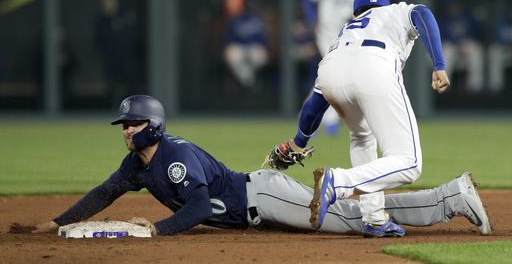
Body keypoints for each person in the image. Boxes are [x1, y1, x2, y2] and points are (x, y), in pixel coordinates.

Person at [32, 95, 492, 237]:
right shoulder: (135, 165)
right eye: (124, 124)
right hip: (257, 203)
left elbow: (195, 207)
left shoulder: (174, 159)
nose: (127, 131)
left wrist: (156, 230)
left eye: (134, 124)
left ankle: (450, 197)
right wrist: (54, 222)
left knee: (355, 219)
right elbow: (104, 193)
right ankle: (447, 197)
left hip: (262, 195)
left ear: (152, 125)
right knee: (355, 214)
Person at [274, 0, 451, 238]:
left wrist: (299, 142)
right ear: (383, 5)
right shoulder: (391, 11)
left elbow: (314, 105)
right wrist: (439, 65)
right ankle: (338, 182)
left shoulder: (345, 33)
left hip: (331, 71)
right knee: (409, 163)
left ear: (356, 13)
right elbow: (422, 13)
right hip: (374, 65)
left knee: (362, 137)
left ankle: (374, 219)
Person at [302, 0, 375, 136]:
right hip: (328, 34)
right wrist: (312, 20)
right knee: (336, 75)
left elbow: (375, 11)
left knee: (332, 77)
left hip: (351, 37)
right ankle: (322, 121)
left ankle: (313, 120)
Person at [95, 0, 142, 107]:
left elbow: (134, 37)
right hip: (110, 61)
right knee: (111, 88)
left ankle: (135, 110)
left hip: (126, 60)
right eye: (107, 1)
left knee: (132, 86)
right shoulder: (101, 21)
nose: (109, 3)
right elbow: (99, 40)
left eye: (112, 1)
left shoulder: (124, 16)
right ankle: (112, 112)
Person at [438, 0, 485, 93]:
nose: (453, 7)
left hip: (465, 48)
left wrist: (466, 41)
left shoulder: (467, 18)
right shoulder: (443, 21)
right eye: (451, 5)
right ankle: (444, 88)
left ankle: (475, 87)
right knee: (447, 51)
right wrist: (457, 44)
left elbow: (478, 34)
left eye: (455, 4)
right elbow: (441, 39)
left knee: (475, 50)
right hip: (451, 49)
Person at [222, 0, 269, 89]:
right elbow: (227, 39)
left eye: (253, 6)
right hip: (239, 48)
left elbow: (264, 39)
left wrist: (266, 47)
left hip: (254, 48)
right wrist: (227, 47)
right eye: (249, 6)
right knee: (233, 56)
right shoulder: (236, 19)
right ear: (245, 6)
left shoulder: (259, 20)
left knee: (258, 57)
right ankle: (250, 81)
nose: (251, 8)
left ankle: (245, 82)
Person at [488, 2, 512, 92]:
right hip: (505, 50)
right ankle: (496, 88)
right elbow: (497, 39)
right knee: (494, 52)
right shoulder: (502, 21)